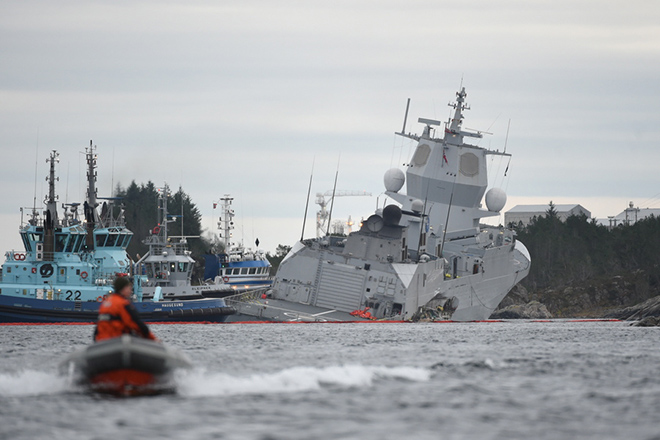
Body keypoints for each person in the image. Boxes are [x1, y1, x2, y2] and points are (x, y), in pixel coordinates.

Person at [94, 276, 157, 342]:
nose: (130, 291)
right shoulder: (123, 304)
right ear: (123, 289)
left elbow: (97, 328)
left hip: (101, 341)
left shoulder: (105, 304)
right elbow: (137, 324)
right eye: (129, 288)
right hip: (115, 341)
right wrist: (153, 339)